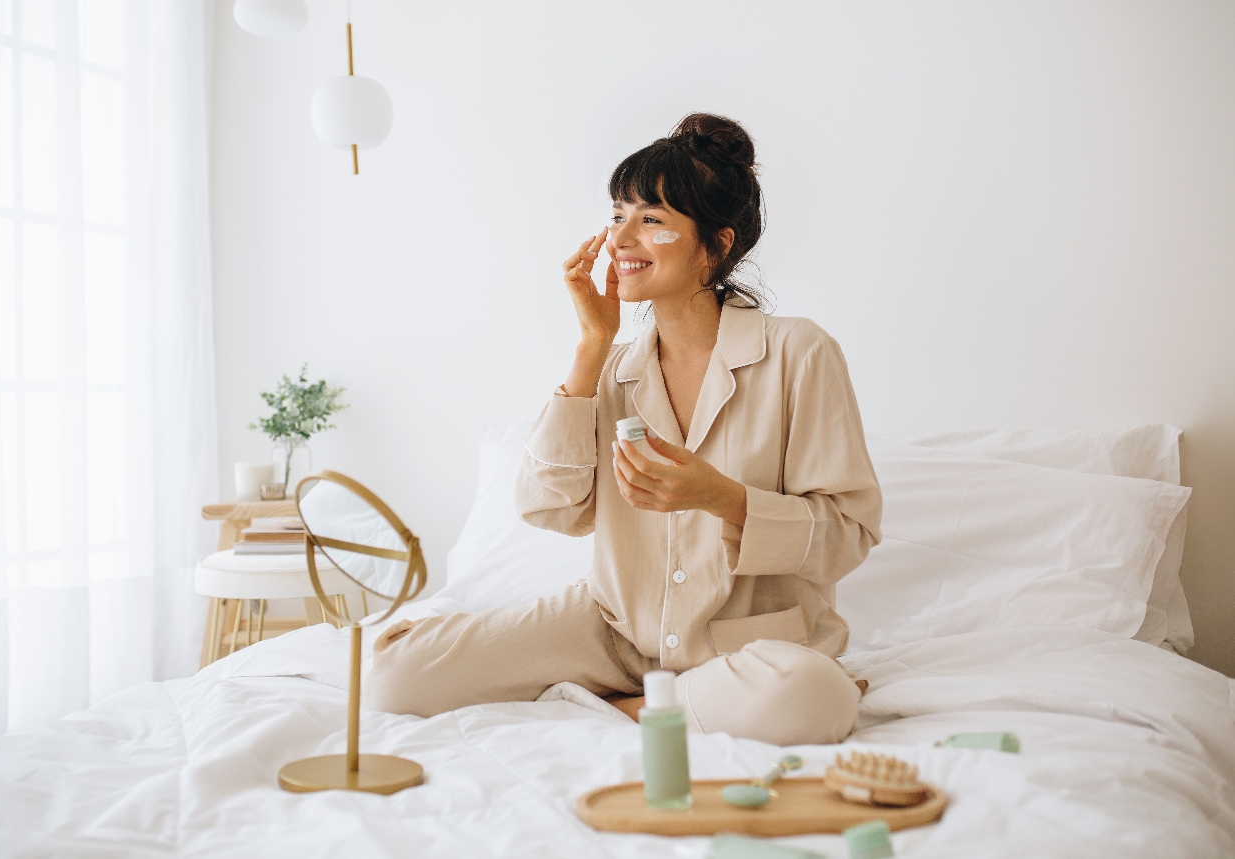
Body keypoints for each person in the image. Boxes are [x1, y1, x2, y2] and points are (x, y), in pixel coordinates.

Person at [369, 114, 882, 746]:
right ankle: (662, 702)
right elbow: (549, 508)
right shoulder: (614, 369)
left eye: (654, 219)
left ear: (717, 247)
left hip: (742, 647)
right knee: (396, 673)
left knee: (812, 696)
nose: (622, 239)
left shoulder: (798, 352)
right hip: (616, 631)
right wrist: (592, 346)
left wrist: (719, 497)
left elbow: (848, 537)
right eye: (618, 215)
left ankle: (635, 708)